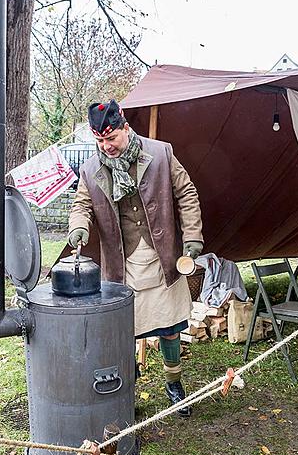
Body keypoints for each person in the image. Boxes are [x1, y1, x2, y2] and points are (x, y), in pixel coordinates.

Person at [68, 99, 203, 417]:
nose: (106, 146)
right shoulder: (91, 170)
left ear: (125, 129)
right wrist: (78, 228)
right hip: (121, 264)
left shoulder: (160, 153)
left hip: (161, 259)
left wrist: (193, 236)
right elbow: (81, 206)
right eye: (100, 141)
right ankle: (126, 389)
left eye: (111, 138)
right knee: (121, 334)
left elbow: (186, 193)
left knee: (170, 328)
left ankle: (174, 385)